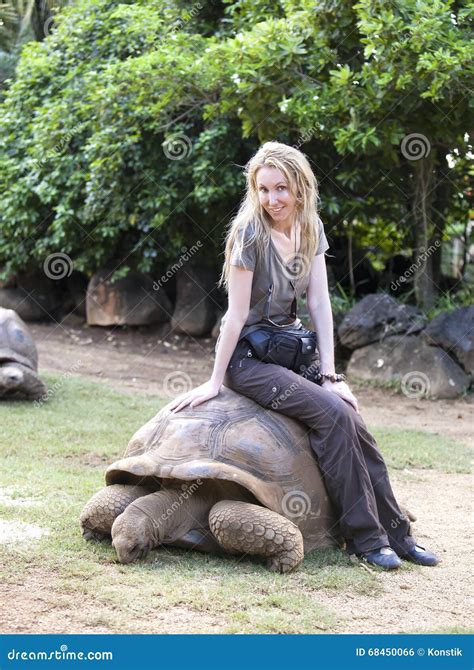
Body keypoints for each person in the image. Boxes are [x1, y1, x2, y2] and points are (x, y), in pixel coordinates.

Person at [168, 141, 439, 570]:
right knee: (331, 416)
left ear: (299, 187)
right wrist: (215, 381)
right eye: (263, 190)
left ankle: (399, 535)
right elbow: (235, 316)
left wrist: (330, 374)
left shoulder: (310, 227)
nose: (272, 200)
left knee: (351, 416)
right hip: (249, 360)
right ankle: (365, 540)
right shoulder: (248, 234)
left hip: (293, 350)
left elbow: (319, 303)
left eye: (281, 189)